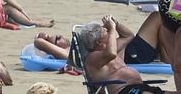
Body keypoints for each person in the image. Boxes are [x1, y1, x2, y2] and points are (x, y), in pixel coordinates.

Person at [33, 12, 166, 66]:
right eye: (56, 40)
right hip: (136, 55)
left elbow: (128, 36)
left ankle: (167, 56)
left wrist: (116, 23)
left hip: (133, 50)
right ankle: (168, 58)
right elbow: (39, 42)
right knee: (158, 16)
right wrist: (41, 41)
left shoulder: (89, 46)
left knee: (158, 16)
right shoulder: (71, 54)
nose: (59, 36)